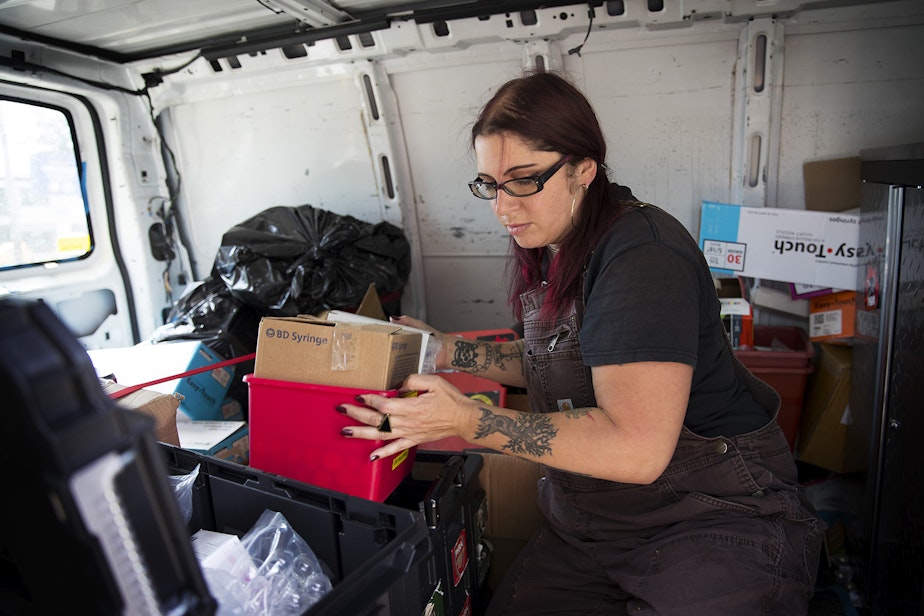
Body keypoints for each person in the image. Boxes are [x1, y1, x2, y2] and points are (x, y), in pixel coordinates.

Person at [338, 70, 822, 614]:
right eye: (490, 184)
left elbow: (636, 448)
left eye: (523, 179)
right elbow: (550, 364)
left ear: (583, 168)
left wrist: (467, 421)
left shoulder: (642, 259)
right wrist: (447, 350)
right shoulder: (558, 246)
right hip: (594, 527)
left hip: (708, 518)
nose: (502, 206)